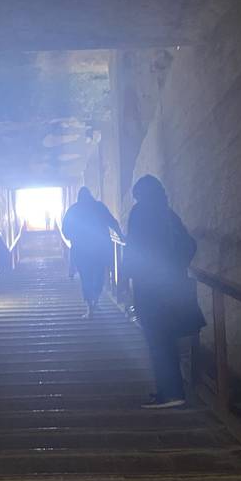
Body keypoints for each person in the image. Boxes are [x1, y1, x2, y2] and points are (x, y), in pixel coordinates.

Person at [124, 175, 205, 408]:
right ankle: (171, 390)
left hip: (150, 289)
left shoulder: (140, 213)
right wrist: (175, 267)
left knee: (157, 340)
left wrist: (129, 276)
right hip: (172, 287)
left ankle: (170, 393)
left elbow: (134, 248)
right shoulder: (168, 214)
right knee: (167, 338)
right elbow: (189, 245)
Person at [62, 187, 124, 318]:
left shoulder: (73, 210)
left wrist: (73, 237)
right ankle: (95, 299)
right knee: (98, 274)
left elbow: (65, 231)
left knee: (86, 277)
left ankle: (90, 305)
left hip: (81, 250)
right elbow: (112, 222)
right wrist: (121, 236)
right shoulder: (98, 207)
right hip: (100, 249)